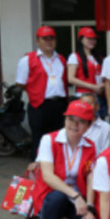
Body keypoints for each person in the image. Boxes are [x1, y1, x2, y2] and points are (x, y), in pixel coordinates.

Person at [34, 100, 98, 219]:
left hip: (77, 199)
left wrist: (90, 206)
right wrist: (76, 196)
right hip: (52, 195)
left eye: (81, 121)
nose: (74, 125)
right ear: (65, 119)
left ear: (88, 126)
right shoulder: (49, 140)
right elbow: (48, 176)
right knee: (58, 197)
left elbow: (90, 177)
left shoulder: (90, 146)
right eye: (71, 119)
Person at [16, 26, 68, 161]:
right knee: (39, 139)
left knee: (59, 138)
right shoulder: (27, 60)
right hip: (39, 105)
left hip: (60, 104)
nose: (49, 42)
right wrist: (35, 91)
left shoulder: (61, 59)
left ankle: (57, 168)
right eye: (45, 39)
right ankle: (36, 169)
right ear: (38, 41)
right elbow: (21, 83)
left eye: (52, 38)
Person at [67, 27, 104, 100]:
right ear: (81, 40)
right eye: (89, 38)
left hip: (99, 96)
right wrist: (92, 87)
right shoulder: (74, 56)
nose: (92, 41)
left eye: (94, 39)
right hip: (83, 96)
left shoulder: (98, 57)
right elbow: (70, 79)